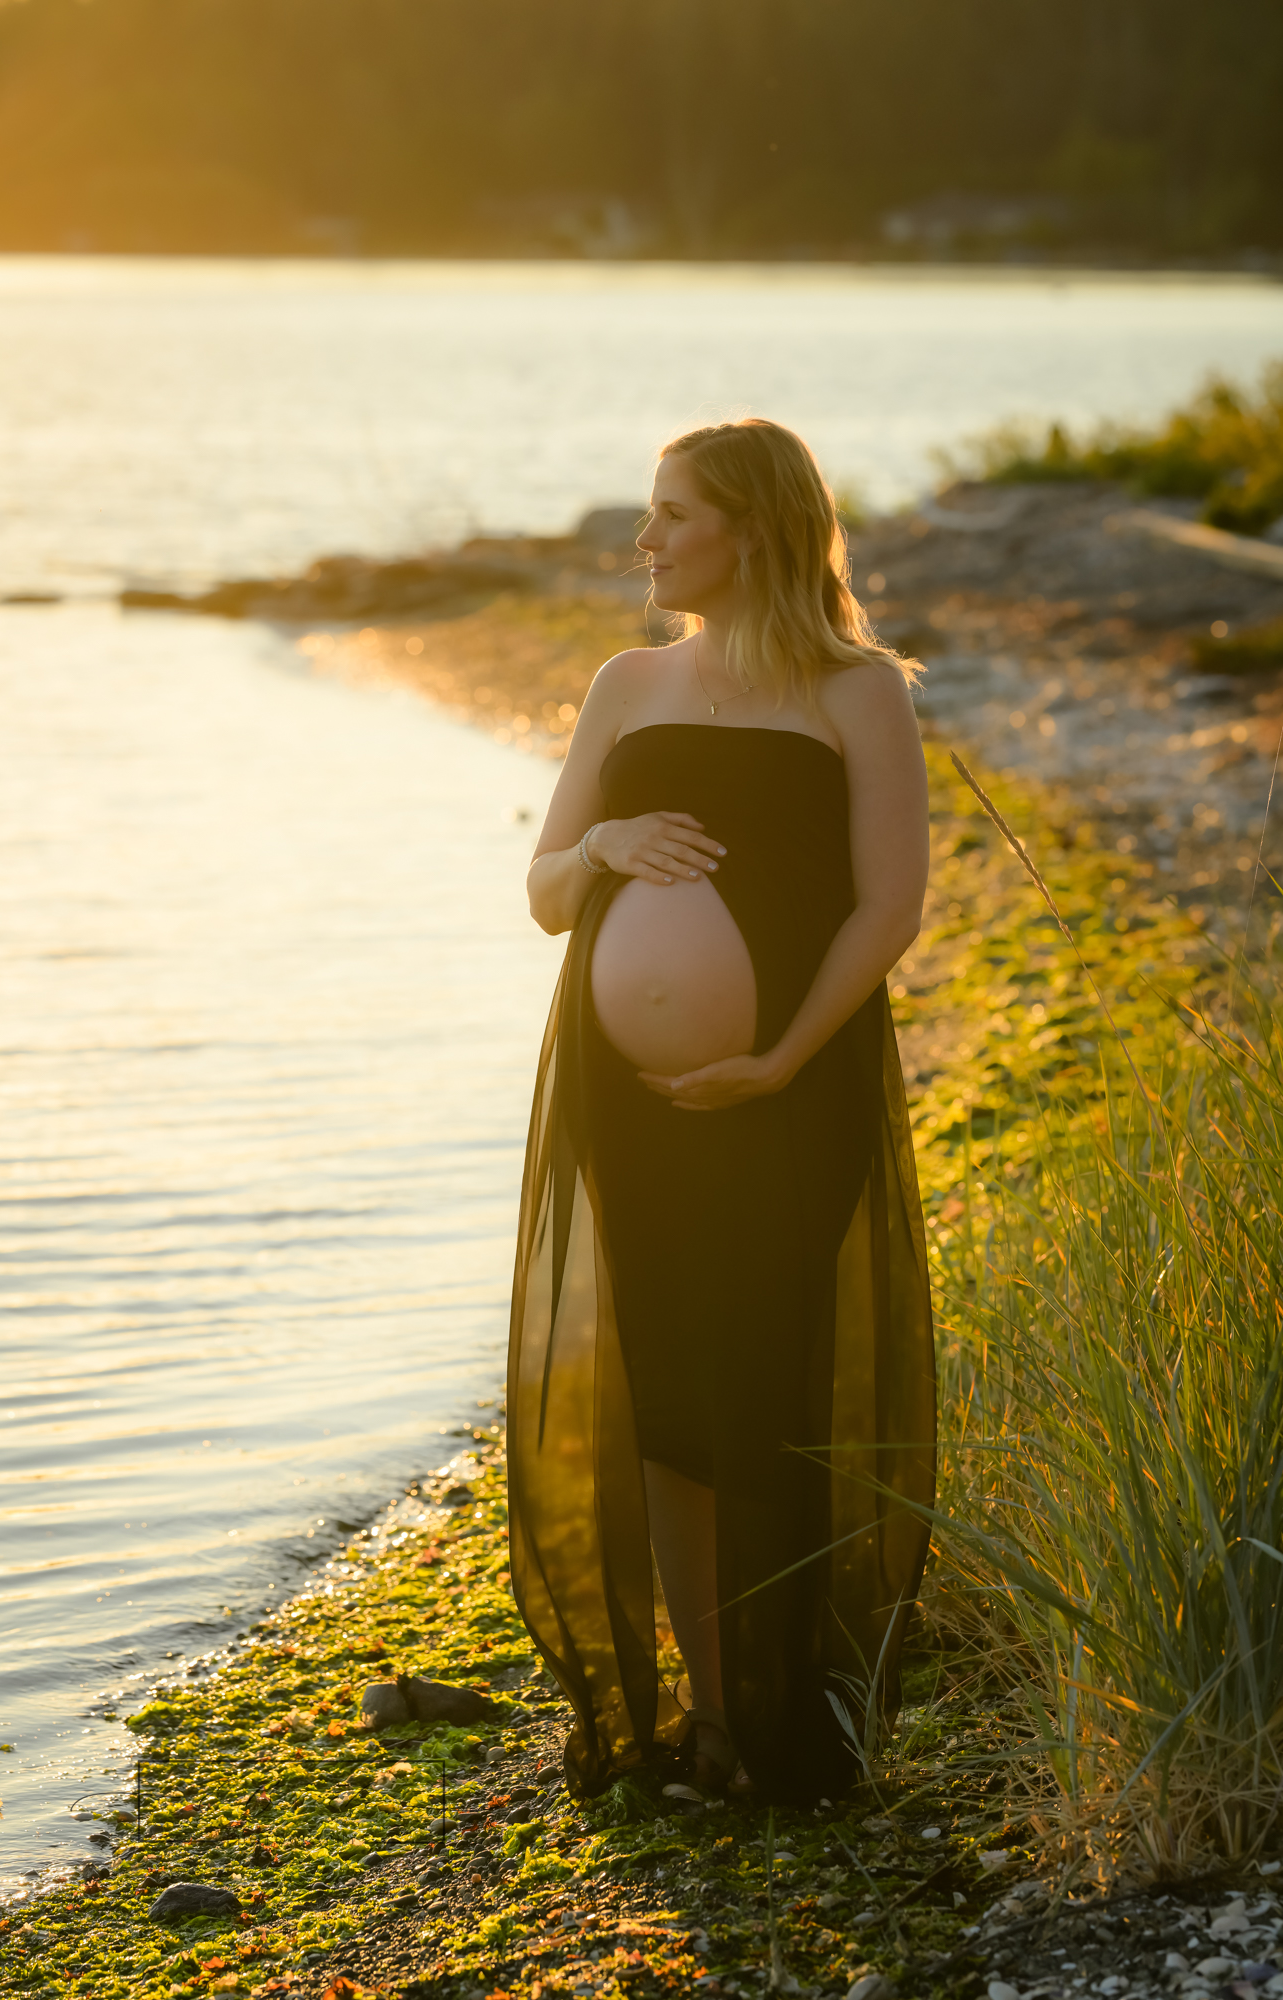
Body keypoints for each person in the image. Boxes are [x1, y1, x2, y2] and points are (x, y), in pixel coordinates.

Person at [506, 417, 935, 1805]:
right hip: (625, 1101)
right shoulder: (627, 683)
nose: (644, 539)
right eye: (649, 510)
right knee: (668, 1405)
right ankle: (702, 1714)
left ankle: (775, 1707)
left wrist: (782, 1056)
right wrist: (606, 845)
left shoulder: (854, 691)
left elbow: (888, 908)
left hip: (784, 1096)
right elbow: (544, 890)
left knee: (766, 1387)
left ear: (749, 529)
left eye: (670, 513)